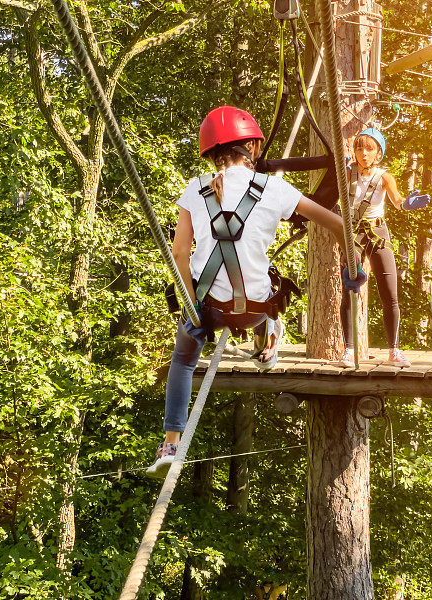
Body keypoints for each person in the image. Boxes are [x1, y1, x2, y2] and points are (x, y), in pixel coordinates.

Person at [147, 105, 354, 477]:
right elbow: (336, 224)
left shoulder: (195, 189)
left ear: (210, 154)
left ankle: (170, 444)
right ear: (254, 149)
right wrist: (354, 262)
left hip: (208, 308)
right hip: (257, 306)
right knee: (267, 286)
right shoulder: (275, 188)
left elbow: (179, 252)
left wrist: (191, 302)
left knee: (182, 361)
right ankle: (267, 337)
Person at [337, 128, 430, 368]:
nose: (363, 153)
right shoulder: (348, 173)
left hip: (377, 233)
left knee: (390, 293)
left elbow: (397, 201)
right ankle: (348, 350)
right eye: (359, 148)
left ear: (378, 152)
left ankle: (394, 350)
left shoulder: (384, 177)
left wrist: (406, 204)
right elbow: (335, 192)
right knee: (350, 288)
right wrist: (341, 170)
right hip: (353, 233)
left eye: (368, 149)